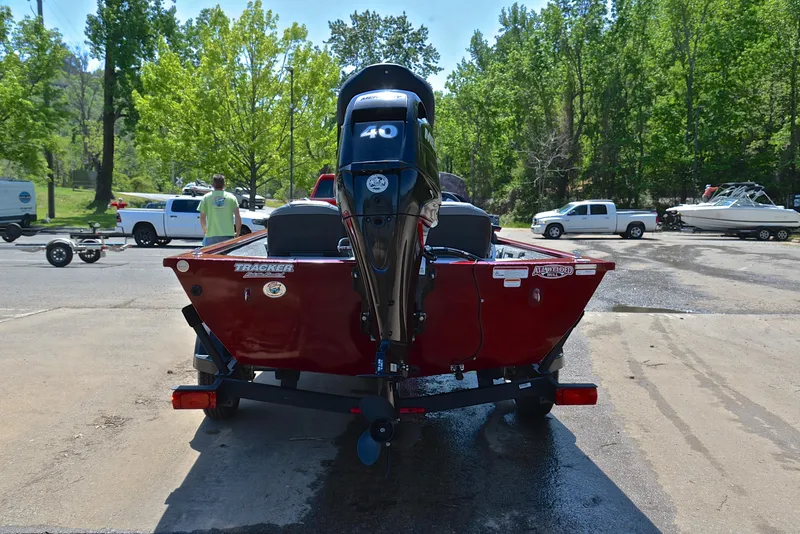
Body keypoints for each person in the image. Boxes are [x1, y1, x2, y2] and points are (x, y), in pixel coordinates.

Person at [197, 174, 241, 246]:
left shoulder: (206, 198)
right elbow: (238, 217)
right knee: (226, 257)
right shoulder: (232, 198)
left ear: (213, 184)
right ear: (224, 184)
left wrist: (205, 231)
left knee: (211, 257)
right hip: (228, 235)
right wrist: (237, 233)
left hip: (211, 236)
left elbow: (202, 217)